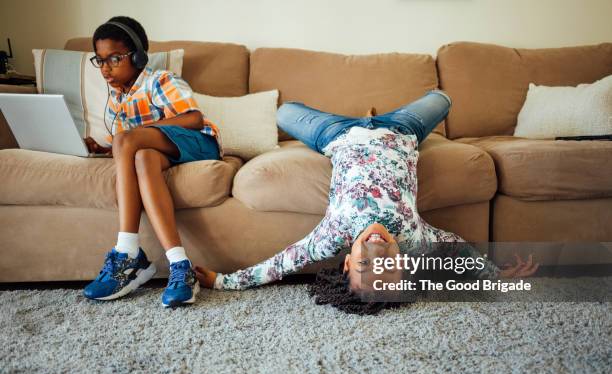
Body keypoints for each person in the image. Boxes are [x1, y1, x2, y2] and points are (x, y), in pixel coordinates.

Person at [195, 90, 538, 313]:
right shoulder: (414, 239)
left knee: (283, 112)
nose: (376, 251)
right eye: (386, 266)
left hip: (336, 134)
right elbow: (459, 252)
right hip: (402, 129)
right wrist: (497, 277)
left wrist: (222, 281)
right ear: (402, 265)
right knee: (443, 98)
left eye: (364, 265)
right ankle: (374, 114)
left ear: (346, 264)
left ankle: (362, 115)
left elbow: (280, 264)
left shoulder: (332, 235)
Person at [82, 16, 222, 307]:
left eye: (115, 59)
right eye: (100, 60)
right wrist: (105, 148)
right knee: (142, 157)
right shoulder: (117, 99)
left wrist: (128, 139)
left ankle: (127, 252)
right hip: (160, 152)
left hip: (199, 143)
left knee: (126, 140)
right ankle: (180, 266)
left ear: (137, 56)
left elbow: (194, 118)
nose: (105, 68)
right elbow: (132, 146)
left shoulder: (159, 81)